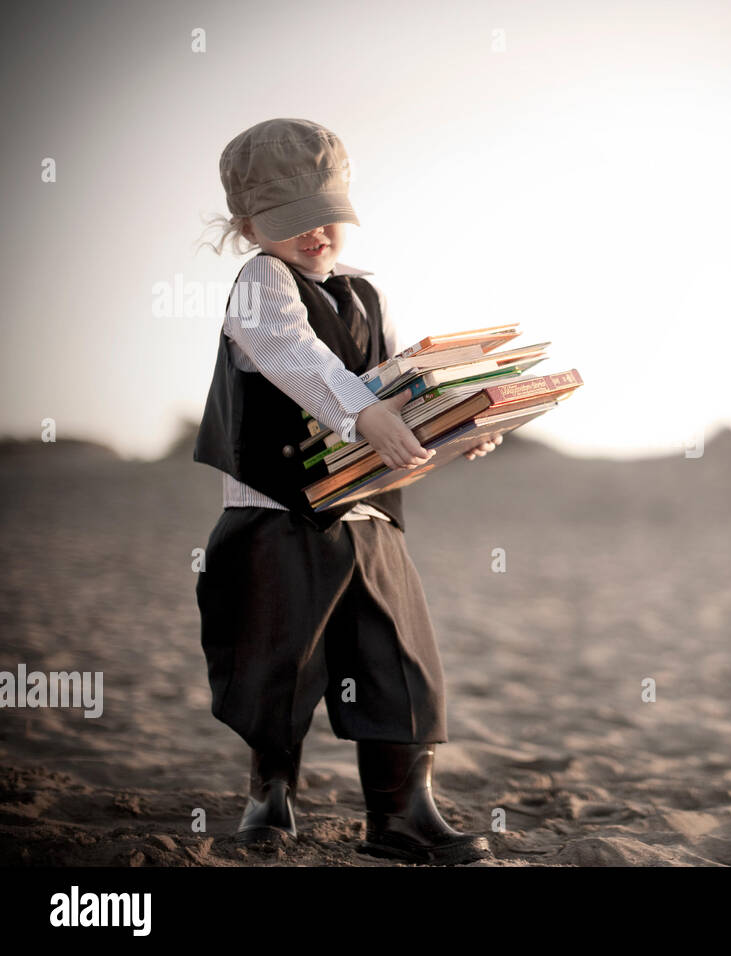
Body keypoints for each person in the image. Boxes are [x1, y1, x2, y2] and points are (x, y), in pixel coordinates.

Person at [192, 118, 498, 865]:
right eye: (290, 221)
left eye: (327, 216)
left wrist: (451, 432)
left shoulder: (367, 292)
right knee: (279, 661)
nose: (316, 234)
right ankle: (270, 794)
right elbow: (290, 353)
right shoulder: (262, 283)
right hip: (278, 512)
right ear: (247, 225)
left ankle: (402, 811)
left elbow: (396, 386)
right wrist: (361, 412)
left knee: (399, 656)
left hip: (369, 515)